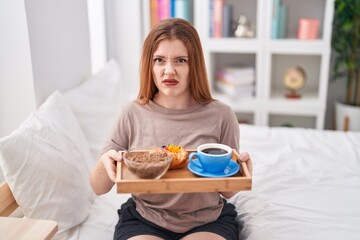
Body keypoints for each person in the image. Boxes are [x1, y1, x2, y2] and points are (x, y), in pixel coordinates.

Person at [90, 18, 252, 240]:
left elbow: (227, 191)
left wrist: (240, 172)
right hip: (144, 220)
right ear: (150, 64)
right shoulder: (131, 113)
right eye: (159, 60)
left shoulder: (222, 115)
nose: (169, 70)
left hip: (208, 221)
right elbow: (99, 188)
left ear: (193, 65)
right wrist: (105, 162)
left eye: (180, 60)